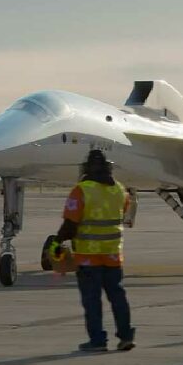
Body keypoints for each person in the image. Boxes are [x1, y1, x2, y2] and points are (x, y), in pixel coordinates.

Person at [50, 149, 135, 352]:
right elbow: (122, 214)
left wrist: (56, 242)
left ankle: (97, 340)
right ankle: (126, 337)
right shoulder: (120, 190)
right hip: (113, 254)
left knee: (92, 301)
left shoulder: (82, 190)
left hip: (88, 257)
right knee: (118, 297)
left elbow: (70, 225)